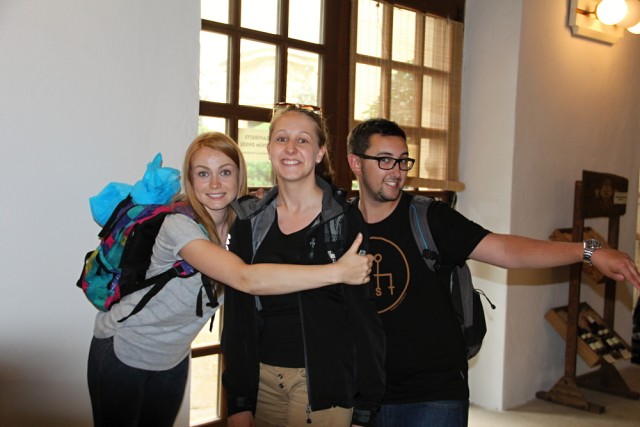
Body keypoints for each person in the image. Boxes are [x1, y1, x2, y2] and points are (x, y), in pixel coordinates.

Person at [345, 118, 640, 427]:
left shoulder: (429, 217)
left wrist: (588, 251)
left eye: (403, 160)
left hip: (432, 393)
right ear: (355, 163)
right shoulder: (340, 224)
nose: (397, 171)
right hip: (362, 392)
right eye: (385, 160)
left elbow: (506, 250)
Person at [87, 132, 374, 427]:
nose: (214, 184)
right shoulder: (179, 226)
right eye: (203, 174)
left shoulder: (245, 225)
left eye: (225, 172)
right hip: (125, 349)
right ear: (190, 180)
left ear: (240, 177)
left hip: (172, 358)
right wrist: (338, 272)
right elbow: (245, 278)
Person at [222, 104, 386, 427]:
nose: (291, 148)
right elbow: (238, 315)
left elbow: (363, 318)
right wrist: (239, 399)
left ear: (320, 152)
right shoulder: (249, 220)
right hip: (262, 381)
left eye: (303, 140)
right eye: (282, 138)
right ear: (269, 148)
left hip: (323, 382)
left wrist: (365, 406)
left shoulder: (344, 219)